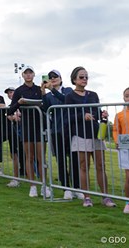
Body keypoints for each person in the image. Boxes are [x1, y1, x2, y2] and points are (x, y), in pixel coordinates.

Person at [65, 66, 116, 208]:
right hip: (81, 135)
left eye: (86, 77)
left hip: (95, 134)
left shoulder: (93, 94)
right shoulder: (70, 96)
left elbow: (96, 112)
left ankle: (106, 197)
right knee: (84, 166)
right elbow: (67, 116)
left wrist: (103, 115)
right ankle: (86, 197)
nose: (84, 79)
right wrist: (82, 116)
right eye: (81, 77)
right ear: (74, 79)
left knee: (101, 165)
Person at [7, 66, 49, 198]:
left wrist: (43, 92)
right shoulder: (19, 91)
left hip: (39, 126)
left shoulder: (38, 89)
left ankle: (44, 185)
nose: (28, 75)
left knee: (41, 157)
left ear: (34, 75)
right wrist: (19, 102)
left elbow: (46, 106)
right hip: (26, 127)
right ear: (23, 75)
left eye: (30, 73)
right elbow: (10, 110)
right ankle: (32, 186)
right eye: (26, 73)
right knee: (29, 157)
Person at [41, 69, 75, 200]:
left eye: (55, 76)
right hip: (57, 130)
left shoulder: (68, 91)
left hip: (71, 129)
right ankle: (66, 187)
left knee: (74, 159)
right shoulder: (49, 96)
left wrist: (52, 90)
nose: (53, 78)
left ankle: (76, 187)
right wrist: (43, 93)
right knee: (61, 160)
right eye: (50, 77)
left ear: (61, 78)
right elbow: (45, 109)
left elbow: (65, 100)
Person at [113, 85, 129, 214]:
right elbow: (115, 129)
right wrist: (116, 141)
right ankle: (128, 202)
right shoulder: (120, 115)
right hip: (127, 148)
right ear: (123, 98)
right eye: (127, 96)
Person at [4, 87, 24, 187]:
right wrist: (13, 117)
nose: (10, 94)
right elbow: (9, 115)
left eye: (11, 92)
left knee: (28, 155)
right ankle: (16, 178)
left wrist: (19, 117)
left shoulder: (22, 103)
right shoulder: (10, 106)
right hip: (14, 133)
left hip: (25, 132)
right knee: (14, 154)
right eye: (8, 93)